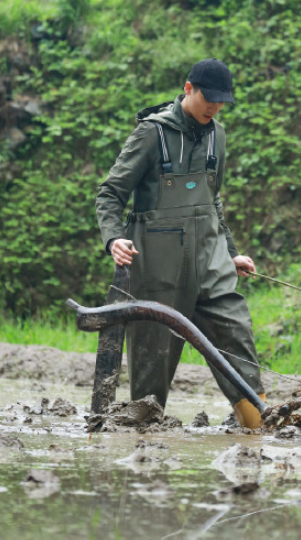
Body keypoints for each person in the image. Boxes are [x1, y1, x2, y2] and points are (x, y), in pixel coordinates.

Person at [96, 58, 266, 428]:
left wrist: (231, 254)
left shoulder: (217, 134)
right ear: (189, 89)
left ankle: (260, 430)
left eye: (223, 101)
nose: (215, 108)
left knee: (237, 337)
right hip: (157, 272)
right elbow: (110, 194)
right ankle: (145, 448)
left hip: (210, 264)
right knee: (152, 366)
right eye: (210, 98)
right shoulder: (150, 134)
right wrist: (114, 239)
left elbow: (212, 200)